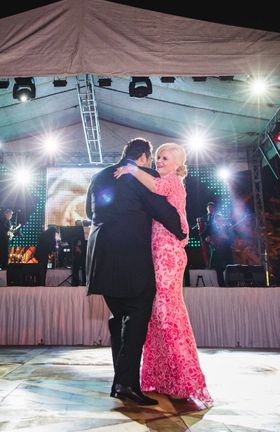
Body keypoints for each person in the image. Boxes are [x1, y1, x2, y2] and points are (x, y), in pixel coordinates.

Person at [85, 137, 186, 406]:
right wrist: (181, 230)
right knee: (138, 316)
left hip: (99, 259)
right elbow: (161, 208)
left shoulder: (98, 176)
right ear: (144, 157)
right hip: (130, 259)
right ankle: (126, 383)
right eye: (153, 159)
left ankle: (121, 381)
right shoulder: (141, 176)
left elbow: (87, 212)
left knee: (119, 317)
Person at [115, 143, 214, 407]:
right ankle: (167, 379)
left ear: (177, 164)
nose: (159, 161)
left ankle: (185, 380)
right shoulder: (169, 181)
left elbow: (156, 187)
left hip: (168, 255)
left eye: (164, 158)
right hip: (159, 254)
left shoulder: (171, 182)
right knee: (158, 317)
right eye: (158, 157)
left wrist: (131, 170)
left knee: (169, 316)